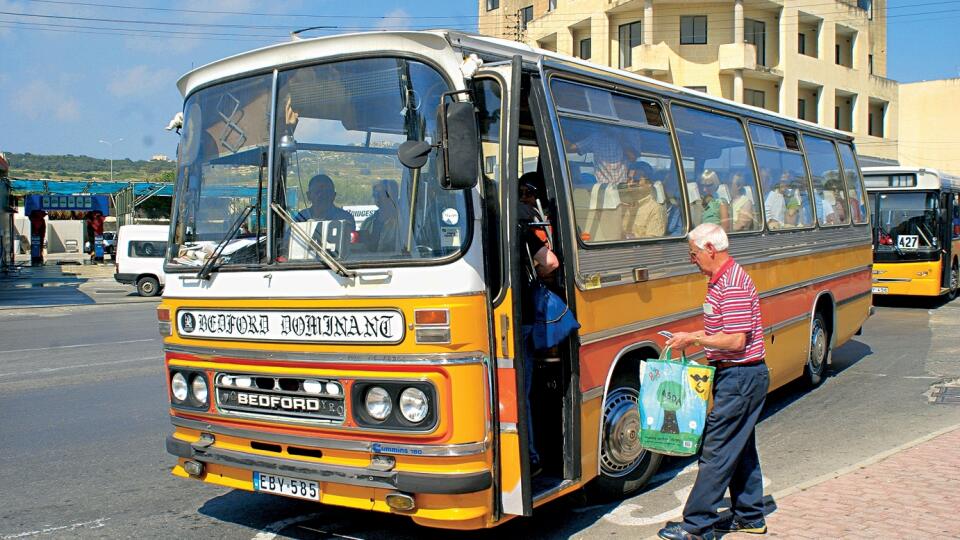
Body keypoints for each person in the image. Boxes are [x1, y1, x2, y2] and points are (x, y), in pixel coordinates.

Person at [658, 223, 769, 540]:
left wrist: (691, 338)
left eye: (693, 253)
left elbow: (735, 341)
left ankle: (697, 526)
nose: (691, 259)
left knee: (717, 450)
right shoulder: (720, 281)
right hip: (738, 376)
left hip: (741, 377)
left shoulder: (731, 284)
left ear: (710, 250)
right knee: (740, 448)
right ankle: (750, 517)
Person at [518, 171, 560, 477]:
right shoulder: (524, 223)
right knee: (524, 390)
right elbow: (551, 263)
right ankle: (531, 457)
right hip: (523, 317)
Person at [565, 124, 636, 185]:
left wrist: (621, 140)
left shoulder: (624, 139)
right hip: (603, 189)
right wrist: (557, 135)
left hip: (621, 189)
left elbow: (633, 158)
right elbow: (572, 148)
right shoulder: (596, 137)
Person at [620, 162, 667, 239]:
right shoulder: (621, 202)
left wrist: (627, 237)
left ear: (649, 183)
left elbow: (654, 246)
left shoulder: (655, 209)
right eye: (629, 179)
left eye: (636, 180)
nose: (630, 183)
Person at [358, 179, 400, 252]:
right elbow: (360, 248)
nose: (376, 197)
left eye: (380, 193)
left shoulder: (402, 223)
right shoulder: (367, 223)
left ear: (392, 195)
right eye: (375, 193)